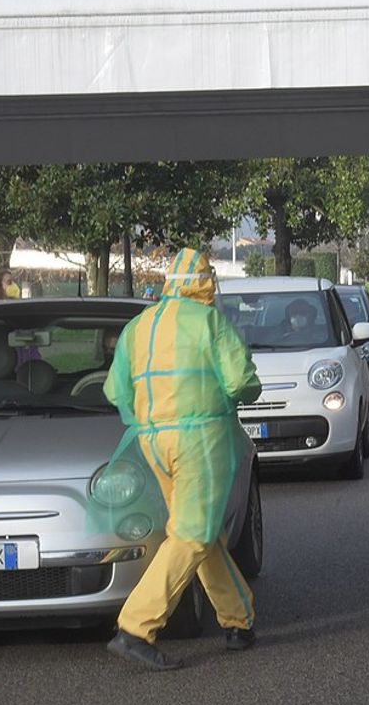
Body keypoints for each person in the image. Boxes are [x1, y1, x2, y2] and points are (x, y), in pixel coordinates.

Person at [101, 248, 262, 671]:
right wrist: (244, 392)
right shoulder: (210, 322)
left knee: (198, 531)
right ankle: (135, 628)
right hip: (202, 441)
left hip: (153, 441)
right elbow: (242, 381)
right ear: (205, 283)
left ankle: (238, 619)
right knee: (193, 533)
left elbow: (114, 391)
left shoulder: (139, 326)